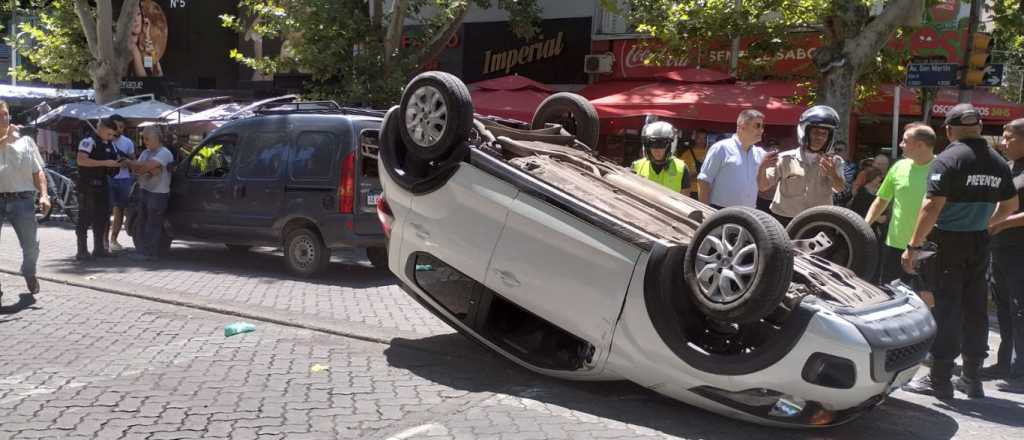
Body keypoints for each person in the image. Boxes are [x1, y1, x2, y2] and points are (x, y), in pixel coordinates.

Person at [901, 104, 1018, 399]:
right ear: (979, 128)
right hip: (979, 243)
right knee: (975, 308)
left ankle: (939, 379)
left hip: (947, 243)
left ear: (949, 130)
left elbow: (931, 207)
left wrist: (914, 246)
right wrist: (985, 224)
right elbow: (1010, 206)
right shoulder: (998, 162)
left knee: (947, 308)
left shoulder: (948, 159)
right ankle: (972, 378)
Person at [864, 123, 937, 289]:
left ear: (919, 145)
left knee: (926, 299)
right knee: (889, 295)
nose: (900, 145)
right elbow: (881, 200)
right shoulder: (898, 167)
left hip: (927, 247)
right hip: (894, 245)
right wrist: (864, 226)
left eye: (905, 141)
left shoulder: (943, 168)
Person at [758, 105, 846, 225]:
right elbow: (763, 186)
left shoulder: (835, 161)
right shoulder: (785, 159)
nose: (819, 137)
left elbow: (839, 188)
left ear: (829, 138)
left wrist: (833, 174)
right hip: (785, 220)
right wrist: (762, 167)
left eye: (824, 134)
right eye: (815, 132)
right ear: (805, 132)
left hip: (819, 221)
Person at [986, 118, 1024, 392]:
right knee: (1004, 310)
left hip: (1020, 252)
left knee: (1020, 310)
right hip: (999, 250)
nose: (1003, 142)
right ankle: (1004, 364)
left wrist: (1001, 223)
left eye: (1009, 137)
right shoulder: (1009, 168)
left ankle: (1021, 371)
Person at [0, 100, 49, 302]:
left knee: (31, 245)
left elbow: (38, 171)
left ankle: (29, 272)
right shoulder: (7, 137)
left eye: (5, 113)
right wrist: (5, 138)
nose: (4, 117)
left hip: (22, 199)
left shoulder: (26, 141)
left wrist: (44, 194)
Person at [697, 109, 768, 208]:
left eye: (762, 126)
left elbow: (764, 186)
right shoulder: (721, 148)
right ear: (742, 126)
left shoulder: (760, 154)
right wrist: (704, 212)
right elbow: (704, 181)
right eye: (757, 126)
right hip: (720, 212)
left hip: (748, 214)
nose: (761, 130)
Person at [75, 118, 122, 260]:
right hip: (87, 186)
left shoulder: (110, 144)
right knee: (85, 218)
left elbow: (115, 159)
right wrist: (104, 162)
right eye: (108, 134)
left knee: (102, 218)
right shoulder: (89, 141)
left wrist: (119, 163)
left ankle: (99, 248)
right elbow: (81, 160)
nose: (111, 137)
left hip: (103, 184)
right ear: (100, 128)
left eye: (112, 135)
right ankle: (82, 251)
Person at [127, 126, 174, 261]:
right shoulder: (146, 153)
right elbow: (139, 170)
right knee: (142, 222)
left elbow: (143, 167)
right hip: (144, 190)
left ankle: (150, 253)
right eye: (143, 138)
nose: (144, 141)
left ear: (156, 138)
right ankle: (143, 251)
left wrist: (138, 166)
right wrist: (144, 168)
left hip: (158, 193)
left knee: (153, 224)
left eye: (147, 138)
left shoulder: (164, 153)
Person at [631, 121, 690, 193]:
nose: (657, 150)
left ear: (670, 146)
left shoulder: (682, 168)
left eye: (662, 145)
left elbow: (685, 199)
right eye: (653, 145)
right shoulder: (636, 166)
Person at [108, 115, 136, 252]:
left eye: (121, 126)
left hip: (124, 179)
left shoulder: (128, 142)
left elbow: (133, 161)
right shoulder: (106, 140)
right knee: (106, 210)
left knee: (119, 210)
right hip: (108, 178)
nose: (119, 129)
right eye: (117, 126)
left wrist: (126, 162)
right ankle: (102, 241)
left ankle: (113, 240)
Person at [678, 128, 708, 197]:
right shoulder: (687, 154)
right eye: (699, 138)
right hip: (691, 190)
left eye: (704, 138)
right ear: (695, 138)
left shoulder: (710, 152)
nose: (701, 140)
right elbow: (681, 173)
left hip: (705, 190)